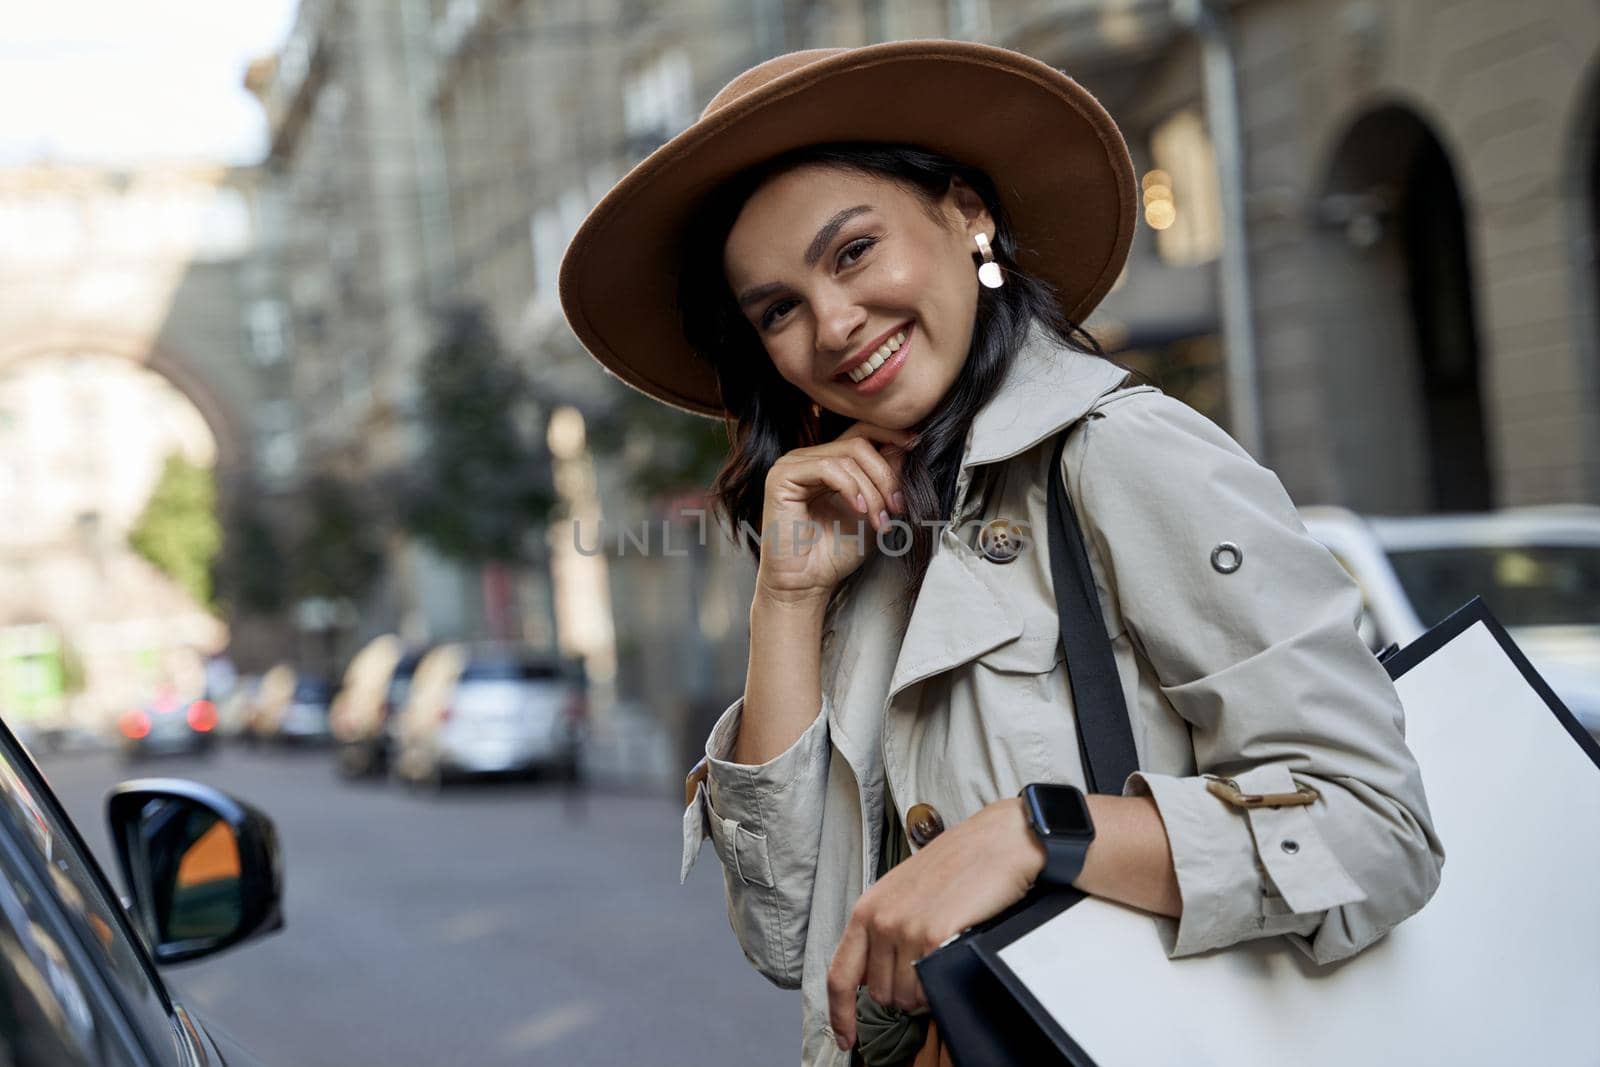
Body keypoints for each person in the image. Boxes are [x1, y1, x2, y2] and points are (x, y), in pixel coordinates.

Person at [559, 40, 1444, 1067]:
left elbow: (1375, 829)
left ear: (965, 210)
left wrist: (1037, 834)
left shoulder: (1119, 452)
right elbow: (791, 938)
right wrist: (788, 598)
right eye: (778, 310)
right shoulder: (870, 543)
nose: (834, 324)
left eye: (851, 252)